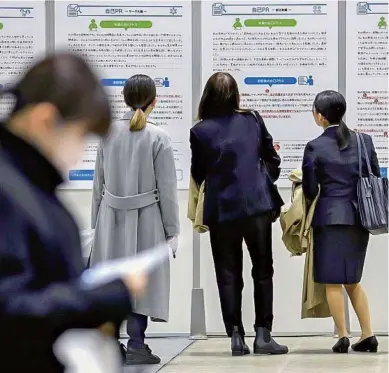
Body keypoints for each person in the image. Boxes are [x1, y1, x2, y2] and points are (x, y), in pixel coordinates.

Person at [0, 53, 146, 373]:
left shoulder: (28, 184)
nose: (80, 152)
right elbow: (11, 309)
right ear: (45, 120)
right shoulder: (9, 190)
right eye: (81, 135)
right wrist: (105, 297)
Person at [190, 72, 288, 356]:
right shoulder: (253, 119)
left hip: (221, 210)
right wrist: (261, 180)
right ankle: (263, 335)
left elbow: (198, 172)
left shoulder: (200, 130)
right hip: (256, 206)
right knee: (263, 270)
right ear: (235, 95)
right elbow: (272, 158)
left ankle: (235, 336)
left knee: (228, 274)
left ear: (207, 94)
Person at [91, 74, 180, 365]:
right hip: (148, 218)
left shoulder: (107, 133)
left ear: (124, 99)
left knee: (111, 281)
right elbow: (167, 190)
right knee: (143, 280)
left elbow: (98, 183)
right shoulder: (159, 137)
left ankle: (111, 344)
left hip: (110, 216)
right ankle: (138, 344)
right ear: (155, 100)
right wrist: (172, 231)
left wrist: (96, 225)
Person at [302, 90, 380, 353]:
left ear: (321, 116)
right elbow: (375, 176)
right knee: (353, 279)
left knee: (333, 280)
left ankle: (344, 335)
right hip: (360, 218)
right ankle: (368, 334)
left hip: (330, 219)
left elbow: (311, 189)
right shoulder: (364, 141)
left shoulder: (315, 146)